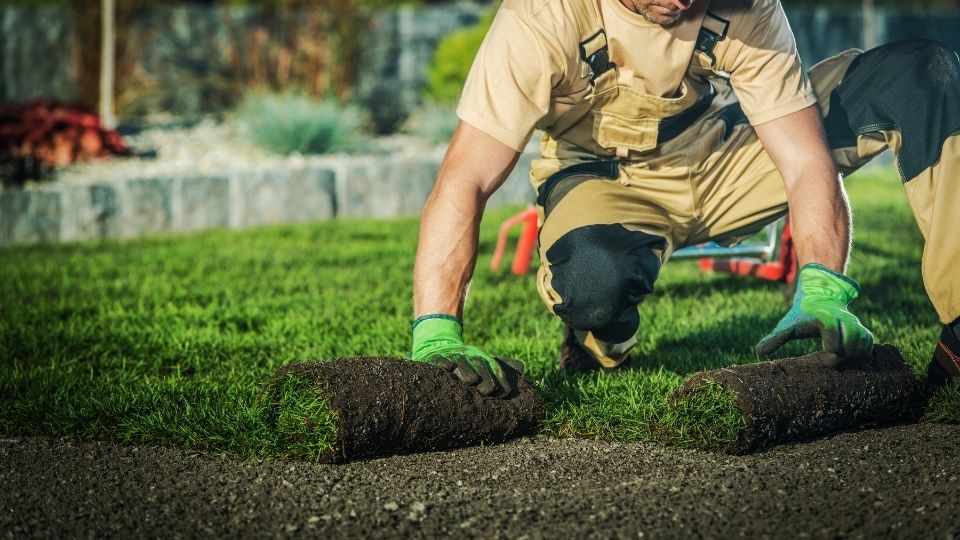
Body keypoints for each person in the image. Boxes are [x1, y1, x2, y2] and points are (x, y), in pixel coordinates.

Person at [409, 0, 960, 398]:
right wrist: (436, 329)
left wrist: (821, 286)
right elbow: (466, 178)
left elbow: (803, 160)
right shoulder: (539, 18)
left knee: (921, 73)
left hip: (725, 151)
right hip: (606, 178)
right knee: (595, 285)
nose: (680, 1)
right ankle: (600, 339)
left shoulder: (747, 7)